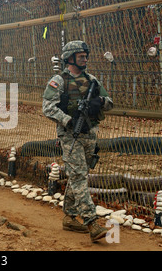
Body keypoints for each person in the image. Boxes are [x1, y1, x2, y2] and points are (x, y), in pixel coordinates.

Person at [42, 40, 114, 242]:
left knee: (79, 174)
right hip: (69, 135)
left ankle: (69, 217)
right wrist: (69, 120)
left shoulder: (92, 80)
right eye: (81, 56)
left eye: (85, 55)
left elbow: (110, 102)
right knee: (79, 176)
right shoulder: (59, 81)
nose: (85, 58)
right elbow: (47, 107)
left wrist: (98, 102)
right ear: (70, 58)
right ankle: (92, 223)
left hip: (89, 134)